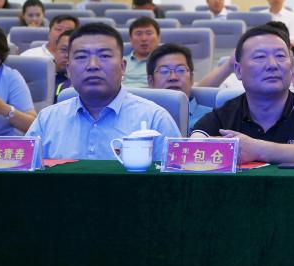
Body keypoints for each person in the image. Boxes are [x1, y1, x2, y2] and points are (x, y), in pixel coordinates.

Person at [26, 23, 180, 159]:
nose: (93, 65)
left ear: (123, 66)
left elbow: (177, 179)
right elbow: (22, 174)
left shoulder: (155, 119)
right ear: (68, 69)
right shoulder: (46, 120)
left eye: (104, 56)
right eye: (81, 57)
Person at [191, 25, 294, 164]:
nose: (272, 65)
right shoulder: (221, 117)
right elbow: (192, 150)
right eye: (260, 57)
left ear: (291, 67)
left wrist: (255, 149)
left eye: (280, 56)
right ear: (239, 71)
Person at [147, 42, 212, 133]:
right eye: (164, 71)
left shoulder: (212, 117)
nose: (173, 77)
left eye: (181, 70)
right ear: (151, 81)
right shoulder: (142, 116)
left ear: (191, 78)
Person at [22, 15, 79, 89]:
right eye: (58, 29)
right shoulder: (27, 56)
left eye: (68, 31)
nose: (62, 33)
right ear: (49, 32)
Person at [124, 16, 160, 87]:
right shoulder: (120, 62)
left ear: (158, 38)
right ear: (130, 39)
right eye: (138, 34)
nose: (144, 39)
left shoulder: (165, 63)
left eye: (149, 33)